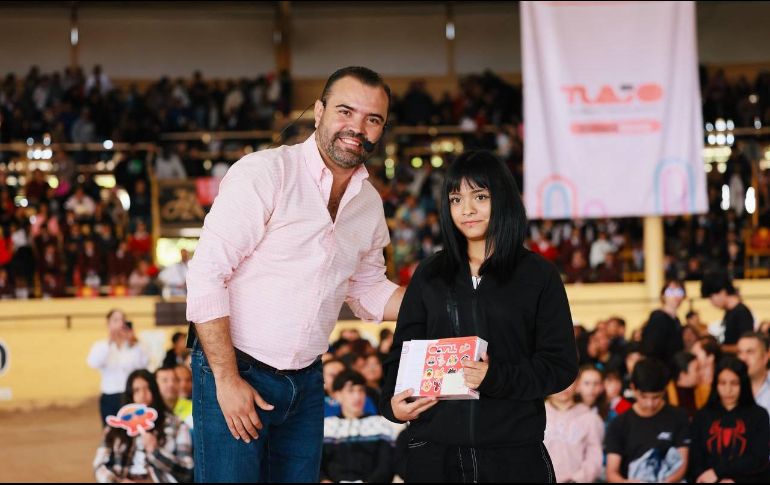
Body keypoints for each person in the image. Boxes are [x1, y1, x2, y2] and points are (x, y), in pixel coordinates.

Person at [185, 66, 405, 482]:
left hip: (306, 384)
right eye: (346, 111)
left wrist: (443, 301)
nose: (357, 127)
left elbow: (368, 289)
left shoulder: (369, 204)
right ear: (319, 111)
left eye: (372, 119)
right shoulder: (265, 173)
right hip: (236, 371)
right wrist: (227, 380)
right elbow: (206, 276)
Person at [381, 150, 578, 482]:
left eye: (480, 196)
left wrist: (494, 377)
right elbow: (401, 354)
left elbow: (560, 366)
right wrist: (393, 406)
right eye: (456, 199)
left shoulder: (537, 275)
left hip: (513, 456)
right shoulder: (430, 273)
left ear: (502, 199)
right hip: (435, 455)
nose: (467, 209)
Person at [93, 370, 193, 483]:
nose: (142, 395)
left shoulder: (176, 425)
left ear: (155, 391)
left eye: (147, 388)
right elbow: (99, 465)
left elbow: (187, 471)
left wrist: (156, 452)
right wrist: (117, 481)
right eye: (136, 390)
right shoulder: (115, 429)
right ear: (130, 395)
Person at [605, 358, 690, 483]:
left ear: (665, 390)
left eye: (656, 397)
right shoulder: (619, 423)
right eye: (643, 396)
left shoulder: (678, 417)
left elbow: (682, 464)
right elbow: (612, 472)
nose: (650, 404)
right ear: (633, 388)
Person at [689, 356, 770, 483]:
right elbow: (695, 457)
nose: (728, 390)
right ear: (715, 384)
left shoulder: (759, 415)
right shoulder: (702, 416)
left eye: (734, 383)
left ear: (743, 384)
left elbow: (758, 459)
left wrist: (724, 475)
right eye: (722, 383)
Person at [320, 370, 396, 483]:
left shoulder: (380, 424)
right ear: (336, 395)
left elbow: (386, 466)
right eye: (350, 391)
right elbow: (317, 465)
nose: (357, 396)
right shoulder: (326, 426)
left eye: (361, 390)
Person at [87, 309, 149, 423]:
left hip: (131, 394)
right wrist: (110, 341)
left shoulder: (136, 345)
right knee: (112, 431)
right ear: (108, 324)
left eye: (122, 320)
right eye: (115, 320)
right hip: (110, 394)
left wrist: (133, 342)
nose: (120, 324)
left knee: (133, 427)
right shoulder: (101, 345)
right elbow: (93, 363)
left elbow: (144, 365)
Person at [544, 379, 604, 483]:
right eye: (558, 381)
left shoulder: (590, 417)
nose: (563, 387)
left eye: (568, 381)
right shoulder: (535, 416)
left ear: (577, 385)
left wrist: (576, 479)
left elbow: (594, 457)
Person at [701, 270, 755, 353]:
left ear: (723, 292)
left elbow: (745, 346)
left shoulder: (741, 313)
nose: (711, 302)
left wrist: (718, 348)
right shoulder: (730, 312)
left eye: (711, 297)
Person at [641, 280, 686, 370]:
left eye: (679, 292)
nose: (675, 296)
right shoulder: (658, 317)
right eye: (670, 292)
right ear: (663, 296)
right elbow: (652, 348)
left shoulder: (676, 320)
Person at [737, 332, 770, 424]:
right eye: (739, 352)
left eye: (750, 352)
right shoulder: (729, 388)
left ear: (766, 356)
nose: (743, 358)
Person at [665, 351, 706, 418]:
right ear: (682, 375)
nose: (701, 373)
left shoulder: (701, 390)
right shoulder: (665, 396)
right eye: (697, 369)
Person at [155, 366, 194, 431]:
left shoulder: (194, 407)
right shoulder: (152, 412)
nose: (171, 384)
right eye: (165, 380)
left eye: (174, 380)